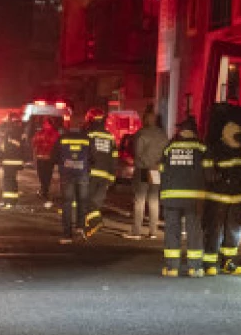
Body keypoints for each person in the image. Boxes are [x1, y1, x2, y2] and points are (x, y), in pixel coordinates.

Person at [159, 115, 213, 277]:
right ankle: (194, 268)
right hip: (194, 198)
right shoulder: (201, 148)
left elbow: (162, 170)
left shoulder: (170, 147)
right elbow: (209, 173)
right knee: (194, 230)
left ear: (181, 131)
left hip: (171, 196)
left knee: (172, 230)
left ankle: (172, 268)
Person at [203, 120, 241, 275]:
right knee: (214, 230)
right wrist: (220, 176)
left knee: (233, 231)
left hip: (236, 198)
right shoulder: (214, 150)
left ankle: (228, 262)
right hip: (218, 198)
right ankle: (209, 263)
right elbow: (208, 174)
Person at [124, 107, 167, 240]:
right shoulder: (162, 135)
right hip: (156, 170)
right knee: (154, 200)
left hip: (143, 169)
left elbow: (138, 153)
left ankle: (136, 231)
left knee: (140, 200)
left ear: (145, 120)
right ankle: (152, 231)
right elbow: (166, 153)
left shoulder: (141, 134)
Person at [53, 121, 91, 244]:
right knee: (82, 201)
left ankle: (67, 234)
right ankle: (81, 228)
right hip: (82, 173)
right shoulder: (87, 139)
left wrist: (62, 163)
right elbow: (93, 157)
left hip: (66, 174)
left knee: (67, 203)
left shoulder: (62, 138)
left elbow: (53, 156)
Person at [84, 107, 117, 236]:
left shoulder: (89, 134)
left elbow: (85, 154)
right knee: (96, 202)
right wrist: (112, 175)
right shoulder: (110, 136)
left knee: (87, 200)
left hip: (91, 173)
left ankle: (96, 221)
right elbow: (114, 157)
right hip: (105, 174)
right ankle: (88, 226)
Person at [32, 117, 60, 208]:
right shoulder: (41, 133)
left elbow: (55, 144)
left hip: (48, 158)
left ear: (50, 124)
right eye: (44, 124)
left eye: (46, 123)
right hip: (42, 157)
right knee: (43, 175)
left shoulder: (53, 133)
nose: (45, 125)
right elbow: (34, 142)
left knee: (45, 175)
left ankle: (44, 190)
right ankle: (44, 189)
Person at [0, 113, 25, 208]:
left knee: (7, 181)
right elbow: (23, 147)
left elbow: (4, 148)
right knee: (13, 180)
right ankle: (13, 200)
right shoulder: (21, 132)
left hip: (8, 160)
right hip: (16, 161)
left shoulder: (9, 133)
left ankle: (7, 201)